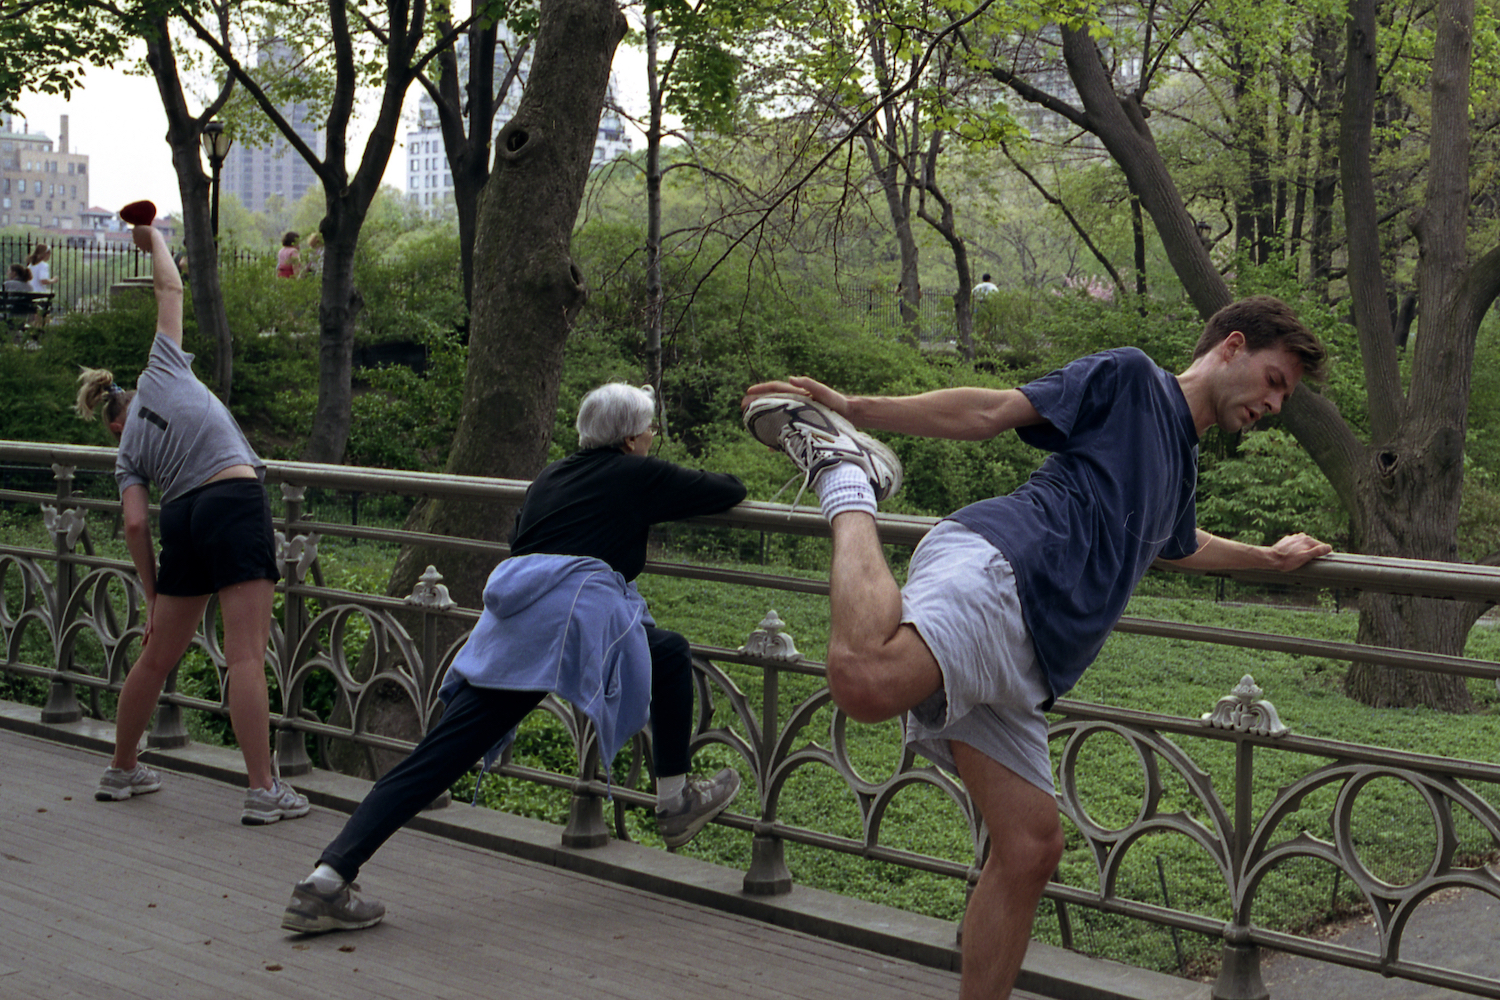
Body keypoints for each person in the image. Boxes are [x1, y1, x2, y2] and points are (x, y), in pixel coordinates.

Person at [741, 295, 1331, 1000]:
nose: (1274, 404)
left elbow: (1178, 544)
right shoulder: (1135, 379)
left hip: (1031, 658)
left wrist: (1269, 559)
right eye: (1274, 381)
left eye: (1285, 397)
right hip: (1005, 570)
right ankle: (845, 474)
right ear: (1232, 347)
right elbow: (992, 412)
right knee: (866, 678)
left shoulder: (1180, 458)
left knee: (1028, 847)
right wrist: (857, 408)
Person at [281, 382, 748, 935]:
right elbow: (728, 488)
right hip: (569, 628)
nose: (652, 439)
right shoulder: (636, 473)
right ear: (628, 439)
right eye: (649, 431)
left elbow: (522, 541)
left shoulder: (549, 477)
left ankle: (324, 881)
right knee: (668, 654)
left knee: (435, 757)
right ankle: (675, 800)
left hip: (512, 630)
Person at [77, 216, 308, 826]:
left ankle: (122, 768)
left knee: (156, 658)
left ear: (111, 419)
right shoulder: (162, 369)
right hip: (232, 501)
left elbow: (133, 525)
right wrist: (150, 236)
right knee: (246, 656)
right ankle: (263, 789)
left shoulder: (126, 454)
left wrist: (153, 599)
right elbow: (170, 291)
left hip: (181, 518)